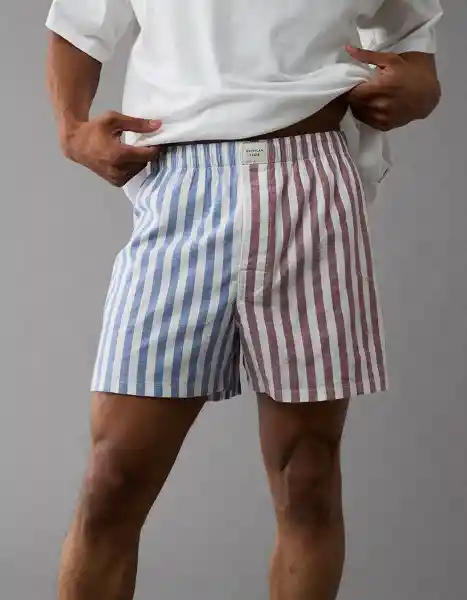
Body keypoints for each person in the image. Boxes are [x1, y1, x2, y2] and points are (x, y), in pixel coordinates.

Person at [44, 0, 442, 598]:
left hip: (311, 180)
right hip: (183, 186)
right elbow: (77, 23)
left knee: (307, 476)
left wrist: (422, 85)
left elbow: (413, 34)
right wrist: (71, 129)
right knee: (114, 478)